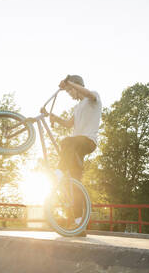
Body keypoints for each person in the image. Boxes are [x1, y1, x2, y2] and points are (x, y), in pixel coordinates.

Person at [50, 74, 102, 236]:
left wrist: (69, 83)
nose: (70, 95)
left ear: (76, 86)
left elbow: (87, 93)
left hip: (87, 142)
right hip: (76, 149)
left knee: (67, 142)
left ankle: (58, 172)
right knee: (73, 184)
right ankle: (80, 226)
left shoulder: (93, 97)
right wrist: (51, 117)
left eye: (70, 91)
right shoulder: (77, 107)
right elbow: (67, 124)